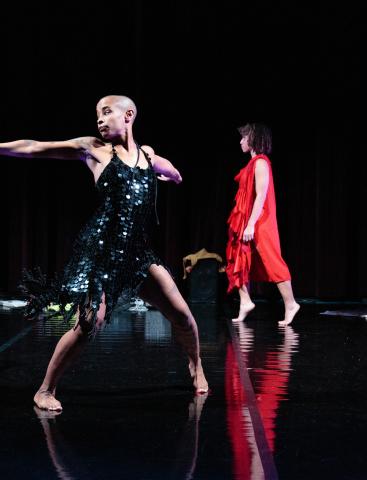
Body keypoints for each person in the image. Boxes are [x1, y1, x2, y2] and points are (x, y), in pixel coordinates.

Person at [0, 95, 208, 411]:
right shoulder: (94, 149)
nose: (100, 119)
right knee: (87, 325)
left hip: (138, 255)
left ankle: (196, 366)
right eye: (97, 113)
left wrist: (171, 176)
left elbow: (172, 171)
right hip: (102, 253)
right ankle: (45, 390)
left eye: (107, 112)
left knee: (184, 318)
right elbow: (34, 146)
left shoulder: (147, 156)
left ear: (129, 115)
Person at [225, 122, 300, 325]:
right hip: (249, 220)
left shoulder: (260, 163)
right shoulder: (251, 163)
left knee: (272, 259)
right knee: (237, 256)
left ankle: (291, 303)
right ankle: (245, 301)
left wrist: (250, 224)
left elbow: (261, 196)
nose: (241, 141)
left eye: (244, 137)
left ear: (253, 139)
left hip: (261, 221)